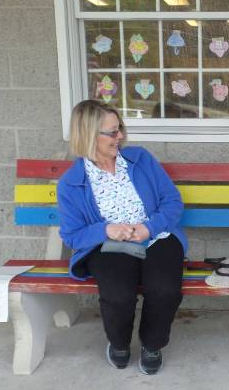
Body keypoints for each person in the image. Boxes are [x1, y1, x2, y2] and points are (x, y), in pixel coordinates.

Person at [57, 100, 187, 375]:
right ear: (89, 135)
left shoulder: (139, 159)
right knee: (118, 294)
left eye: (120, 129)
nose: (120, 137)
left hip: (156, 238)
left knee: (164, 288)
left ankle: (152, 344)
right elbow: (72, 235)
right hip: (108, 246)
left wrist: (148, 227)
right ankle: (118, 344)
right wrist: (106, 229)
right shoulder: (71, 183)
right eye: (112, 132)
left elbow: (172, 201)